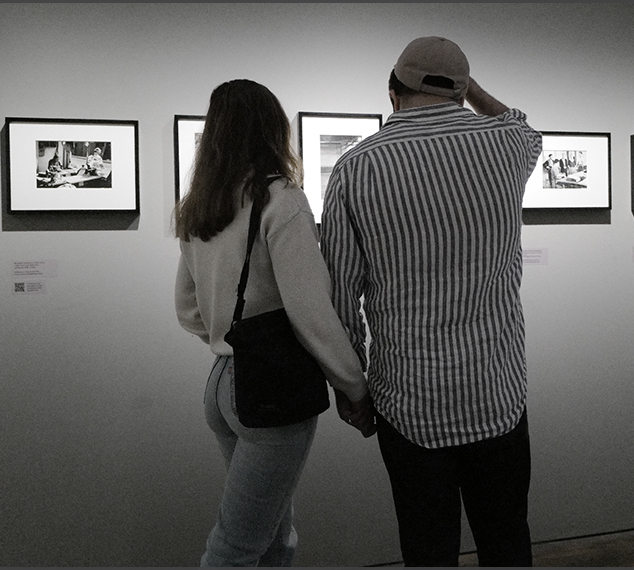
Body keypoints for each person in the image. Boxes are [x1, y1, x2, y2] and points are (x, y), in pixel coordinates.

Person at [321, 37, 542, 567]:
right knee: (507, 542)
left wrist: (350, 389)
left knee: (427, 550)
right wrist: (471, 91)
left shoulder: (356, 168)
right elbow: (523, 124)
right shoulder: (505, 147)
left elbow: (341, 295)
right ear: (462, 93)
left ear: (392, 91)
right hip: (498, 396)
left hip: (409, 404)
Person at [173, 79, 374, 567]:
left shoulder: (203, 204)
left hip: (223, 385)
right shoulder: (282, 200)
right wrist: (354, 384)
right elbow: (311, 314)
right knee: (236, 546)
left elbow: (187, 308)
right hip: (269, 393)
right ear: (272, 128)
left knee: (274, 534)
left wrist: (230, 340)